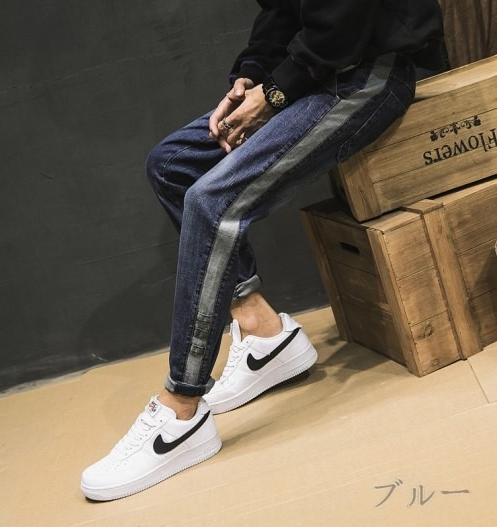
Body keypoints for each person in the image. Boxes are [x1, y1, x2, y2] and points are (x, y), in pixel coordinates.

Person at [81, 0, 445, 501]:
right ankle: (263, 334)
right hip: (316, 75)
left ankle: (180, 412)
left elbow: (342, 25)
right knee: (172, 163)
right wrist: (250, 76)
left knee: (211, 203)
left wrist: (274, 94)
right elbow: (281, 9)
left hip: (369, 75)